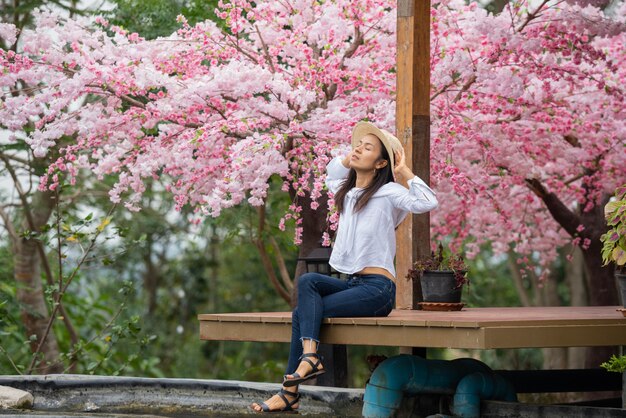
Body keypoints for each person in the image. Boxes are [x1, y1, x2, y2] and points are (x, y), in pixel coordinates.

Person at [251, 121, 438, 413]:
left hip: (378, 291)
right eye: (358, 145)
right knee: (308, 283)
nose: (358, 149)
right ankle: (309, 358)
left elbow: (428, 201)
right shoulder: (348, 195)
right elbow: (331, 173)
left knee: (303, 312)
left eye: (368, 148)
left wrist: (402, 171)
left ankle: (290, 390)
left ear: (380, 163)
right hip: (354, 284)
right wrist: (344, 158)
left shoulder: (390, 193)